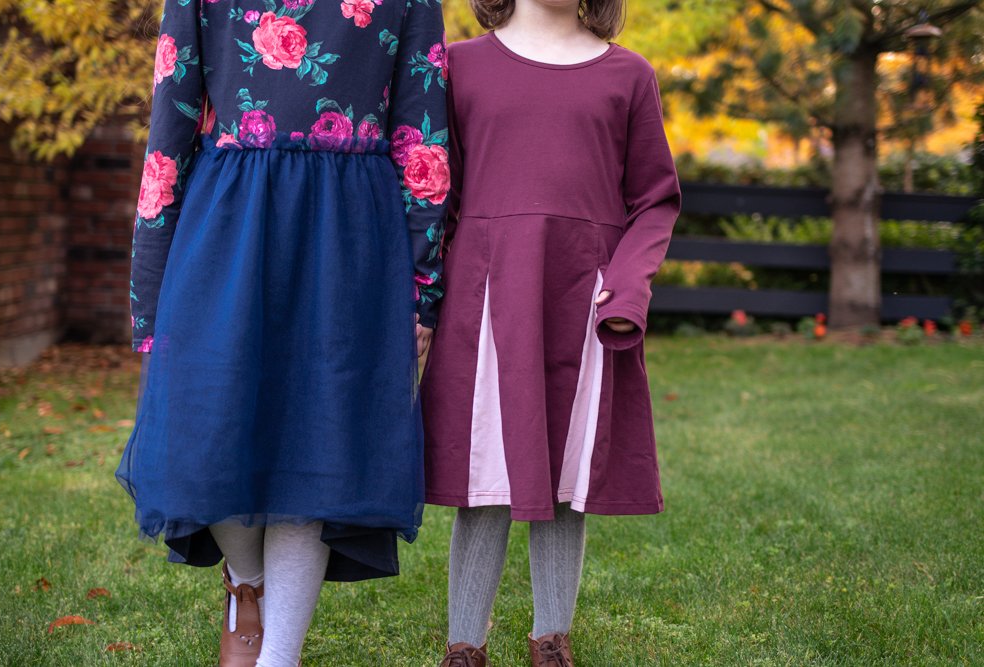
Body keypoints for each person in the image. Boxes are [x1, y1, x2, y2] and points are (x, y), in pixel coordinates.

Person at [116, 0, 448, 664]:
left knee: (316, 438)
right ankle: (246, 584)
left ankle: (280, 654)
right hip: (228, 224)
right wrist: (149, 286)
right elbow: (170, 123)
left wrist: (422, 286)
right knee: (213, 428)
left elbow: (423, 133)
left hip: (350, 237)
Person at [419, 0, 680, 663]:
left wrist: (627, 284)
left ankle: (552, 641)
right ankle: (463, 647)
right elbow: (432, 192)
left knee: (565, 473)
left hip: (580, 297)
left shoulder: (629, 75)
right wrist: (417, 295)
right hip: (488, 293)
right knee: (487, 471)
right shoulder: (458, 67)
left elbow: (654, 198)